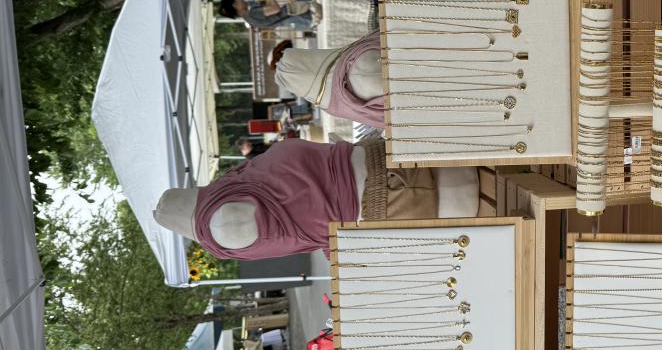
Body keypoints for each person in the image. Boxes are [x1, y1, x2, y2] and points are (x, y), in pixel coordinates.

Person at [152, 137, 481, 261]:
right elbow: (308, 226)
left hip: (396, 185)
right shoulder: (222, 220)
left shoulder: (227, 197)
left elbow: (306, 227)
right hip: (395, 190)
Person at [271, 32, 385, 127]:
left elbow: (375, 118)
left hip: (365, 91)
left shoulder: (330, 107)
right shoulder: (289, 58)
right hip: (359, 60)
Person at [217, 0, 313, 33]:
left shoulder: (249, 19)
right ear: (235, 5)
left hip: (295, 20)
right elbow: (276, 9)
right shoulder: (251, 14)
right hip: (298, 16)